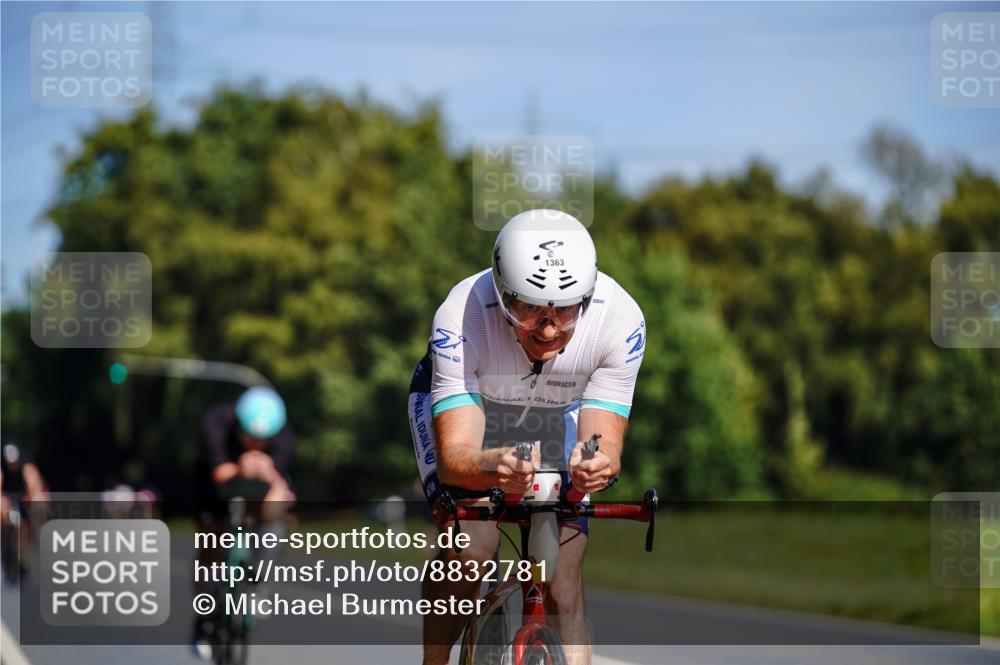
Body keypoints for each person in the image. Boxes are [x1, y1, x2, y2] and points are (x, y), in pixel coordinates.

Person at [407, 209, 646, 665]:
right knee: (470, 550)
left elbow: (603, 442)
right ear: (501, 293)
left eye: (565, 310)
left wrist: (597, 464)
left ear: (589, 297)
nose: (549, 329)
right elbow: (458, 454)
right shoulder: (462, 315)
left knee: (565, 581)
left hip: (559, 413)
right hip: (477, 411)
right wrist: (489, 465)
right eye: (528, 309)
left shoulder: (619, 320)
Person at [191, 385, 295, 659]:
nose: (256, 445)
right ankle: (203, 619)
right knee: (210, 544)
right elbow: (219, 473)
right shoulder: (216, 424)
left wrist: (272, 477)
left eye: (263, 441)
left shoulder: (283, 436)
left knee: (278, 510)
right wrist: (240, 467)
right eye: (250, 438)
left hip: (257, 493)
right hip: (214, 491)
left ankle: (258, 581)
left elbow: (279, 485)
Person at [0, 440, 49, 581]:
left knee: (38, 506)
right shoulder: (2, 467)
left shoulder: (26, 465)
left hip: (25, 499)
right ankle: (5, 543)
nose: (11, 465)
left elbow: (34, 485)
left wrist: (33, 499)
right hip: (9, 501)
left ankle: (32, 555)